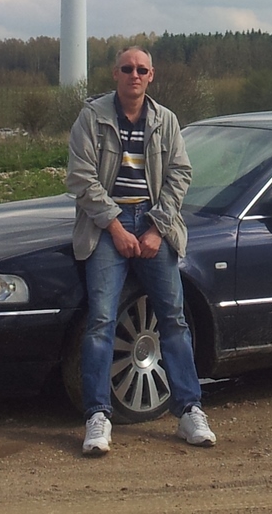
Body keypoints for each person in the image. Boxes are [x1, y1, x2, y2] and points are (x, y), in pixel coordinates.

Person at [65, 46, 215, 456]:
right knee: (100, 321)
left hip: (153, 226)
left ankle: (189, 410)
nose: (135, 75)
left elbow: (180, 174)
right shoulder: (91, 118)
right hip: (104, 228)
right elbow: (80, 177)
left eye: (142, 70)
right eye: (127, 68)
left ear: (152, 75)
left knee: (174, 319)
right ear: (115, 73)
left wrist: (157, 227)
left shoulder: (166, 121)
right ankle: (98, 416)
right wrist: (115, 226)